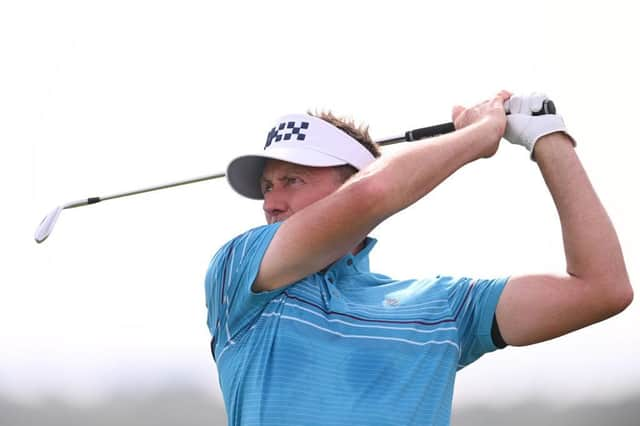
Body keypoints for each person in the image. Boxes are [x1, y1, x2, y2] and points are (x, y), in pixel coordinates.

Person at [204, 91, 633, 426]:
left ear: (350, 181)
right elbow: (373, 193)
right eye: (267, 187)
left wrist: (547, 138)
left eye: (292, 180)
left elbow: (602, 289)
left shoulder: (440, 305)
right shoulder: (241, 273)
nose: (272, 203)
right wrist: (478, 136)